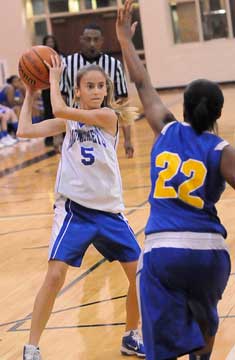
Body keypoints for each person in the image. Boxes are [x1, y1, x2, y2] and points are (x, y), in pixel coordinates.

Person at [116, 1, 234, 360]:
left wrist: (123, 37)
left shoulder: (165, 129)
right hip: (208, 252)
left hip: (163, 250)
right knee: (204, 322)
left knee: (162, 345)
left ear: (182, 108)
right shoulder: (222, 150)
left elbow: (141, 81)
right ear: (218, 113)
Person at [18, 56, 145, 359]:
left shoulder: (107, 117)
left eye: (101, 85)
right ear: (77, 91)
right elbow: (24, 130)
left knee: (141, 274)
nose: (97, 90)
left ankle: (131, 334)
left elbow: (60, 108)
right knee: (55, 275)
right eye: (90, 86)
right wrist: (30, 92)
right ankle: (31, 347)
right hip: (75, 210)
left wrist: (52, 82)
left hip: (109, 212)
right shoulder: (68, 120)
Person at [60, 23, 134, 158]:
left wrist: (128, 139)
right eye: (88, 39)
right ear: (81, 40)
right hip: (76, 127)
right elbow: (62, 99)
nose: (92, 44)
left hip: (104, 128)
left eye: (96, 39)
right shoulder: (67, 63)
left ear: (102, 41)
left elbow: (123, 102)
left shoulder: (114, 64)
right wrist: (58, 135)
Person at [41, 35, 63, 148]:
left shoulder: (61, 57)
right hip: (46, 88)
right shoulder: (40, 58)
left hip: (60, 87)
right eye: (48, 42)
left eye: (52, 41)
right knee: (48, 113)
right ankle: (49, 137)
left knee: (62, 112)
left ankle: (65, 134)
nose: (50, 43)